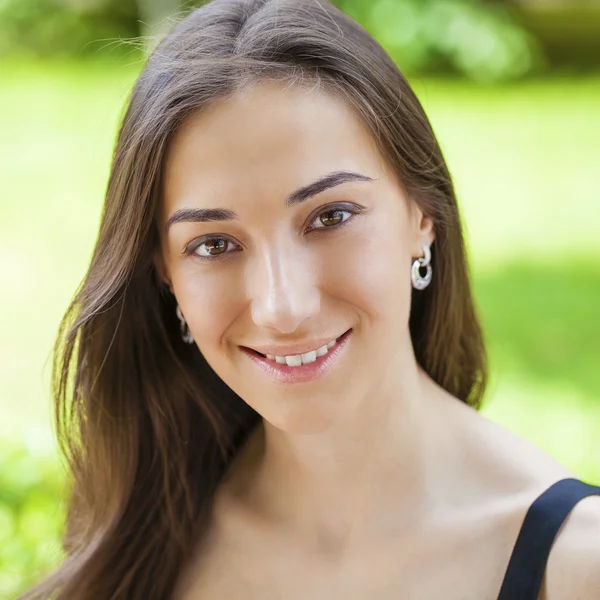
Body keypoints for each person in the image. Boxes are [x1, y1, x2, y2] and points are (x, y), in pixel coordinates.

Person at [23, 0, 600, 599]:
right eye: (215, 243)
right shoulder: (139, 530)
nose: (283, 307)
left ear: (421, 215)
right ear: (164, 273)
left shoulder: (578, 568)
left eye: (331, 215)